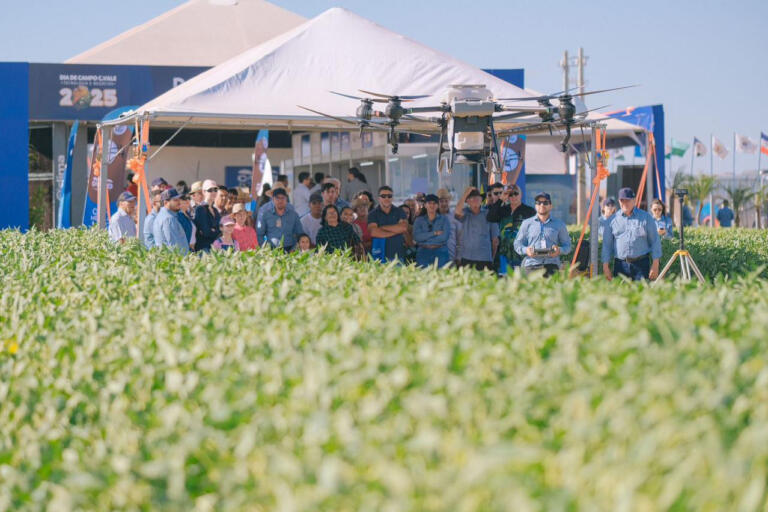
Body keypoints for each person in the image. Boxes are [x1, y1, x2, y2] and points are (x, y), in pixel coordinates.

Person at [602, 187, 662, 281]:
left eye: (628, 200)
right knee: (620, 295)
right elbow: (606, 245)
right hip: (620, 266)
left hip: (641, 265)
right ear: (619, 201)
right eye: (622, 200)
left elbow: (655, 241)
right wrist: (605, 267)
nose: (625, 203)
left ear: (634, 201)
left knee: (641, 294)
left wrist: (655, 264)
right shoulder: (612, 220)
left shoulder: (646, 217)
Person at [513, 192, 571, 277]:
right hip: (531, 266)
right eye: (538, 203)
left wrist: (559, 250)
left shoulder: (559, 224)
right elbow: (517, 244)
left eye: (545, 203)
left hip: (552, 266)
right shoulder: (527, 223)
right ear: (535, 205)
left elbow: (568, 246)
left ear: (551, 206)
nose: (542, 205)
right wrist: (526, 250)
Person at [486, 184, 535, 270]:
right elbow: (490, 217)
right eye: (510, 194)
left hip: (522, 255)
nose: (513, 196)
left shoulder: (529, 211)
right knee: (504, 281)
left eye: (516, 193)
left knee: (521, 281)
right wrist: (500, 199)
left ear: (521, 194)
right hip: (504, 254)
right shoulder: (503, 210)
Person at [454, 187, 499, 271]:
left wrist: (491, 258)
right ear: (467, 201)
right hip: (466, 258)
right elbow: (457, 212)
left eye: (478, 198)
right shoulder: (465, 213)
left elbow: (495, 240)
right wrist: (465, 195)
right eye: (472, 198)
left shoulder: (489, 214)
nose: (476, 200)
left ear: (481, 199)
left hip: (485, 259)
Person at [368, 185, 408, 262]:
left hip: (397, 256)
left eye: (389, 196)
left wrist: (382, 228)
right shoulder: (372, 214)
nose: (386, 198)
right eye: (383, 196)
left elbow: (403, 228)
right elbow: (373, 232)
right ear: (378, 198)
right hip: (379, 256)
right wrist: (396, 231)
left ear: (392, 198)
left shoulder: (400, 211)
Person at [413, 194, 451, 267]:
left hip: (440, 252)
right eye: (429, 203)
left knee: (441, 277)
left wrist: (425, 237)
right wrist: (434, 233)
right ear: (425, 205)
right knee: (423, 277)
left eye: (434, 203)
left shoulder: (444, 219)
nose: (432, 205)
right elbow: (417, 237)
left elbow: (444, 237)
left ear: (437, 205)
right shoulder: (419, 220)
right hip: (423, 252)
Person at [152, 188, 189, 254]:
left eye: (178, 199)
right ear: (166, 202)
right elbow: (174, 247)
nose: (179, 202)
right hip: (175, 260)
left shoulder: (162, 216)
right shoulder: (169, 219)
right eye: (175, 200)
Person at [192, 179, 222, 252]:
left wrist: (214, 230)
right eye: (210, 190)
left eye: (215, 189)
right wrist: (216, 231)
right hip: (203, 249)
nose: (213, 192)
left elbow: (221, 230)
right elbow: (206, 232)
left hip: (215, 248)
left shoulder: (215, 210)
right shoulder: (200, 209)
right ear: (204, 192)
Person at [437, 188, 462, 265]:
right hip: (436, 259)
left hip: (452, 258)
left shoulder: (455, 216)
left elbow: (460, 238)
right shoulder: (433, 217)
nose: (444, 203)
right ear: (437, 203)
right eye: (441, 201)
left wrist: (459, 257)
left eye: (446, 201)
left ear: (449, 202)